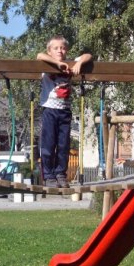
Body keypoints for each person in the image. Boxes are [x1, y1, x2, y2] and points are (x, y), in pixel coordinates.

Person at [37, 36, 92, 188]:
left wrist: (79, 63)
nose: (60, 51)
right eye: (56, 48)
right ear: (50, 51)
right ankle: (48, 176)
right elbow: (39, 55)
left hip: (65, 111)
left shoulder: (71, 63)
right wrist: (58, 64)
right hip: (50, 110)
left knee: (63, 145)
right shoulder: (46, 64)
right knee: (48, 145)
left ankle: (60, 174)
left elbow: (88, 55)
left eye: (62, 48)